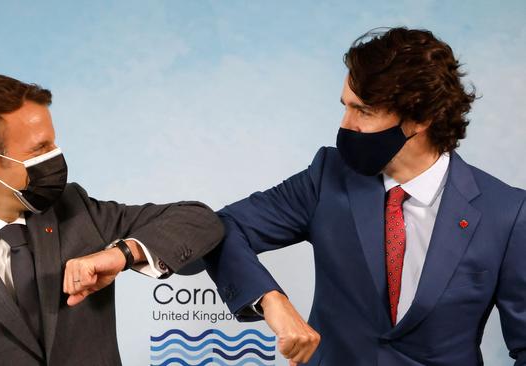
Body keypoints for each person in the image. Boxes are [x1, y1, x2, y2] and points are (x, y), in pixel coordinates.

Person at [204, 27, 526, 365]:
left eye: (364, 111)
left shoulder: (507, 213)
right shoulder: (327, 177)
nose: (346, 124)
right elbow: (222, 227)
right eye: (346, 107)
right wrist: (270, 299)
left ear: (420, 118)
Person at [0, 74, 224, 366]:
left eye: (53, 143)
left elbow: (198, 220)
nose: (55, 156)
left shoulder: (77, 209)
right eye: (39, 149)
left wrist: (122, 254)